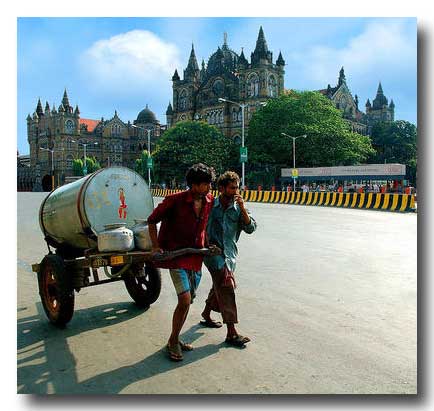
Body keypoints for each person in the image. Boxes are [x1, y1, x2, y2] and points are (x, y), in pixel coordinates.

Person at [147, 163, 216, 361]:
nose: (209, 187)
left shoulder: (209, 200)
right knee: (184, 300)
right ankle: (173, 341)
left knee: (189, 300)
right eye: (206, 184)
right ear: (194, 185)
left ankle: (174, 338)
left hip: (196, 257)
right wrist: (155, 246)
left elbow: (204, 226)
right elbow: (152, 220)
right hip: (176, 256)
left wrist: (209, 245)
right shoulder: (174, 201)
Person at [200, 171, 257, 348]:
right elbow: (201, 227)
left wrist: (243, 209)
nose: (236, 191)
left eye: (237, 187)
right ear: (222, 188)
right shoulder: (210, 205)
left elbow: (250, 228)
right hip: (212, 253)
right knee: (226, 285)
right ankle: (231, 332)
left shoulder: (238, 207)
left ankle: (206, 312)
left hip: (229, 254)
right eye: (232, 188)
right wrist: (208, 245)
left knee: (218, 284)